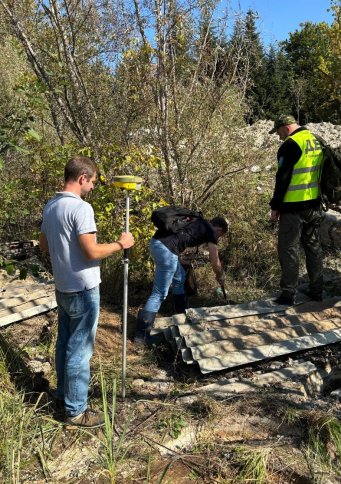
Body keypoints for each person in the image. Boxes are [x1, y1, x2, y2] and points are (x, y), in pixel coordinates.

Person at [39, 156, 134, 428]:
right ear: (82, 178)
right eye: (91, 182)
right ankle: (76, 411)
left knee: (65, 344)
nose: (92, 187)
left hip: (63, 287)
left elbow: (44, 247)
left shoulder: (51, 205)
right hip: (83, 288)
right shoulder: (81, 209)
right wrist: (120, 243)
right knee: (80, 351)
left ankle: (64, 394)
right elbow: (91, 251)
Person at [135, 215, 229, 345]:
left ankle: (182, 317)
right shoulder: (210, 231)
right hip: (166, 250)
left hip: (157, 244)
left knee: (179, 278)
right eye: (220, 235)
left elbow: (179, 238)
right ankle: (142, 336)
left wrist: (178, 259)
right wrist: (220, 275)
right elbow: (215, 261)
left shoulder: (197, 222)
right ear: (219, 229)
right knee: (159, 293)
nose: (218, 238)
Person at [269, 114, 324, 305]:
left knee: (288, 249)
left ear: (285, 127)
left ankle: (288, 294)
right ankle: (316, 290)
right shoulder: (316, 140)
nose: (278, 136)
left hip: (293, 208)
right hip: (314, 205)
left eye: (278, 132)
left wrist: (275, 206)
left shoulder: (290, 144)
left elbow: (282, 178)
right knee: (313, 247)